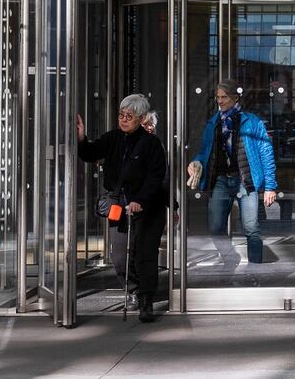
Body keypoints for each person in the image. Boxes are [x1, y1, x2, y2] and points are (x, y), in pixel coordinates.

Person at [77, 94, 167, 323]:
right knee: (119, 255)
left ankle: (146, 299)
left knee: (145, 254)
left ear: (141, 118)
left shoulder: (151, 143)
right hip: (120, 205)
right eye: (121, 114)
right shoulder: (113, 138)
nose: (124, 119)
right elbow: (91, 152)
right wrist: (81, 139)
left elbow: (156, 177)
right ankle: (135, 290)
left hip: (147, 206)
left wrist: (141, 200)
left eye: (129, 116)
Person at [188, 79, 277, 264]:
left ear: (235, 98)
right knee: (215, 227)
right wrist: (196, 162)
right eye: (217, 97)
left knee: (251, 229)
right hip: (220, 180)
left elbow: (266, 153)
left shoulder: (252, 122)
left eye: (224, 97)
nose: (220, 101)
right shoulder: (214, 123)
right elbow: (205, 151)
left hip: (245, 181)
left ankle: (256, 269)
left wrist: (270, 186)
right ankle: (230, 259)